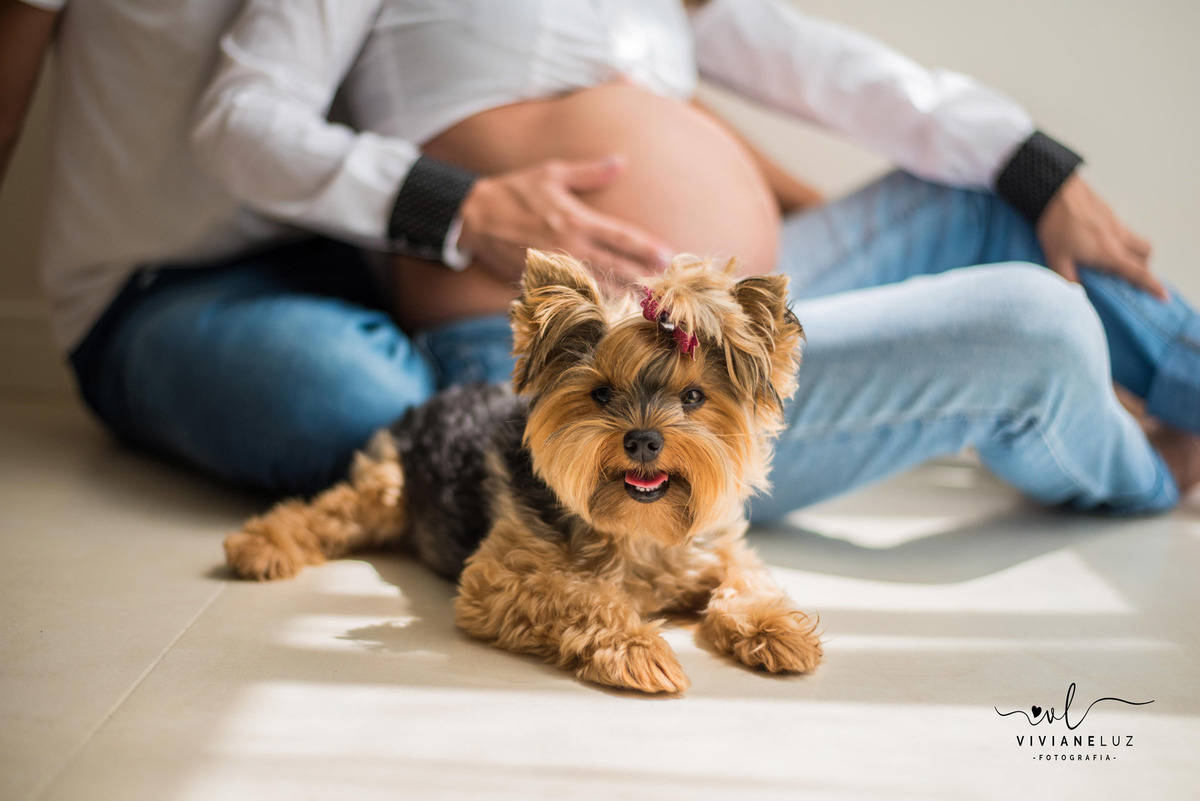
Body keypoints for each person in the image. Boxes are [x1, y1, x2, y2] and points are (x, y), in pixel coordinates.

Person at [7, 0, 1199, 513]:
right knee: (1037, 332)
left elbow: (839, 71)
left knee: (999, 202)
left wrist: (1040, 167)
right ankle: (1154, 481)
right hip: (598, 372)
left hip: (730, 317)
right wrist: (460, 210)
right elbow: (243, 117)